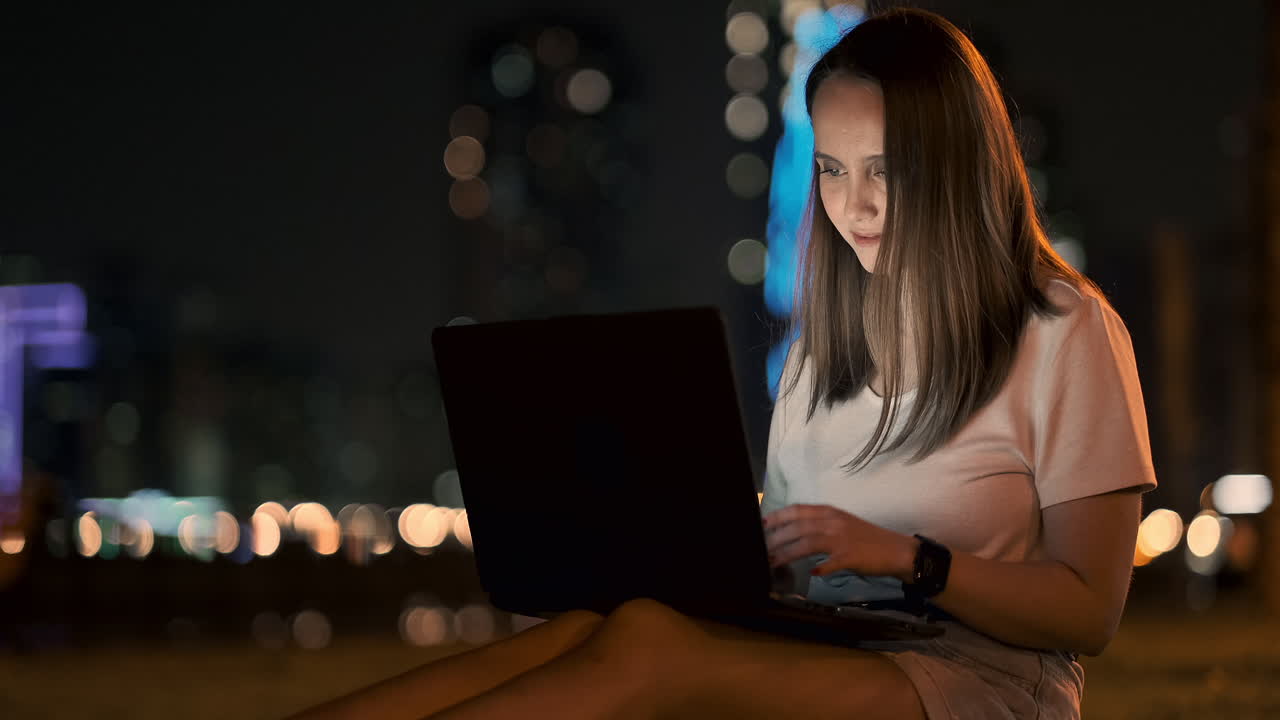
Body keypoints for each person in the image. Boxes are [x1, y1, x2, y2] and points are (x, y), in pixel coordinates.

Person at [295, 8, 1156, 719]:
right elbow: (790, 570)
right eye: (830, 168)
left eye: (884, 171)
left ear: (959, 168)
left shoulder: (1064, 329)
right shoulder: (825, 353)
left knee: (651, 650)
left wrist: (910, 560)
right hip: (834, 651)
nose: (849, 206)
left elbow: (1088, 611)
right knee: (613, 622)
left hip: (985, 685)